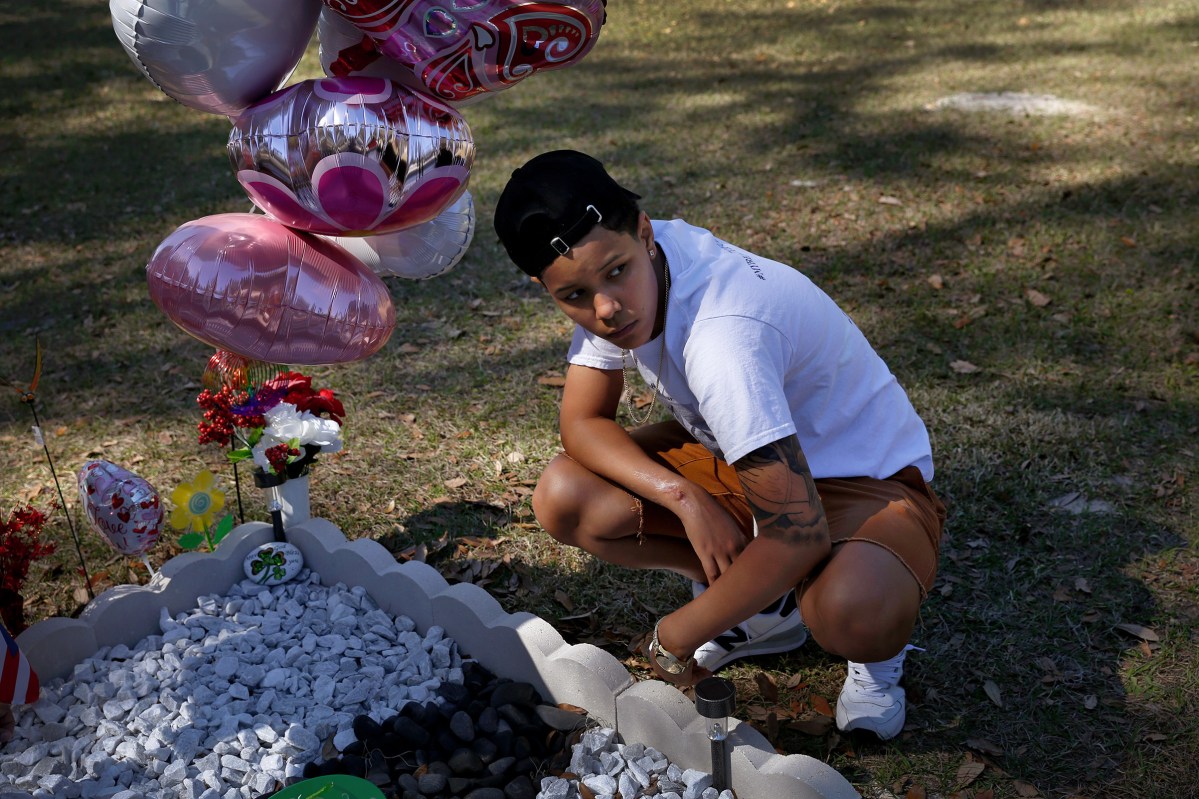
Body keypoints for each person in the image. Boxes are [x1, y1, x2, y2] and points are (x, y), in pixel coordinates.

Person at [492, 150, 946, 740]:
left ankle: (876, 663)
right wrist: (683, 496)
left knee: (852, 608)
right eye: (573, 295)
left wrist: (671, 639)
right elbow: (581, 424)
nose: (604, 308)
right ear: (544, 286)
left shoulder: (722, 338)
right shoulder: (627, 265)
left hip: (864, 481)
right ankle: (765, 610)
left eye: (615, 273)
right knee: (567, 493)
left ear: (645, 233)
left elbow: (798, 530)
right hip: (742, 453)